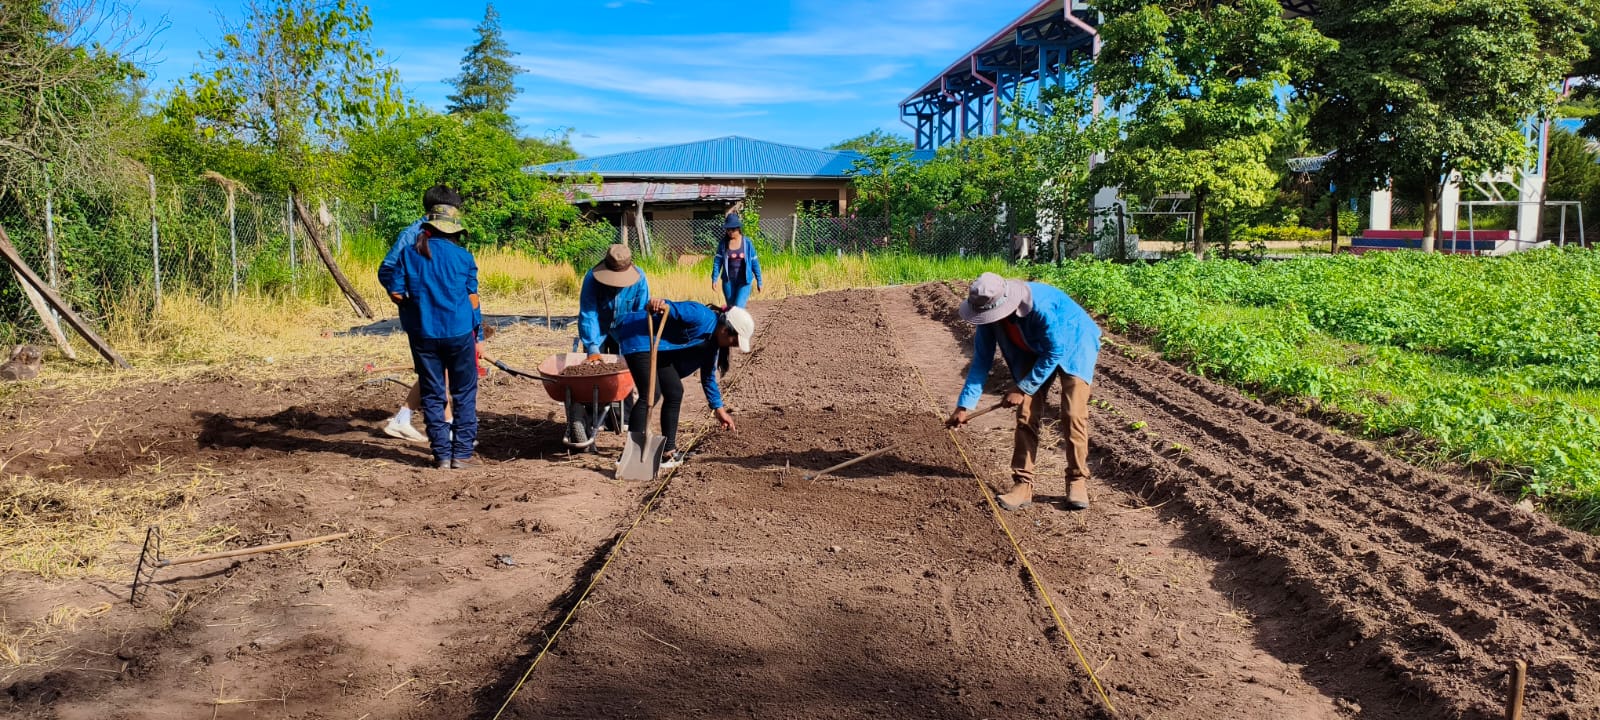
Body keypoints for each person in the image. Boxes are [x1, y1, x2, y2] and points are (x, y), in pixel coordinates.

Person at [947, 272, 1102, 511]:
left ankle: (1077, 479)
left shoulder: (1039, 307)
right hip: (1032, 348)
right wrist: (964, 406)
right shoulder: (988, 318)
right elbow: (981, 361)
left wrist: (1022, 387)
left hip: (1074, 342)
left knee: (1073, 413)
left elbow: (1055, 350)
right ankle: (1023, 484)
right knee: (1026, 413)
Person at [379, 191, 483, 469]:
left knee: (432, 392)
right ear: (455, 230)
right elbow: (473, 300)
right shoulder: (463, 257)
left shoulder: (409, 254)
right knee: (464, 392)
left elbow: (395, 291)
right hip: (459, 332)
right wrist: (479, 335)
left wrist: (414, 308)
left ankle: (441, 455)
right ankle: (462, 455)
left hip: (424, 334)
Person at [614, 297, 755, 468]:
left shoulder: (712, 345)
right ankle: (629, 455)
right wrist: (658, 304)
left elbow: (708, 378)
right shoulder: (700, 315)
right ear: (725, 330)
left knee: (674, 391)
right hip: (640, 338)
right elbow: (673, 308)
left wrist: (720, 411)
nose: (734, 346)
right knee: (650, 393)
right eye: (735, 341)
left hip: (661, 350)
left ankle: (668, 452)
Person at [579, 243, 650, 363]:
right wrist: (592, 347)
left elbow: (640, 314)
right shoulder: (591, 279)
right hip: (597, 330)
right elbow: (588, 313)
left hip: (624, 332)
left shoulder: (640, 279)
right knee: (594, 367)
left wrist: (636, 344)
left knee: (623, 368)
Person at [710, 213, 762, 308]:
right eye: (728, 229)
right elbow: (717, 262)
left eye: (733, 229)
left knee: (738, 306)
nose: (730, 232)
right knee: (731, 309)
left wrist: (759, 281)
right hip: (728, 282)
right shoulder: (723, 244)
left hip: (744, 281)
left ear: (738, 228)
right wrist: (714, 279)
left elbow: (754, 262)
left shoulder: (747, 243)